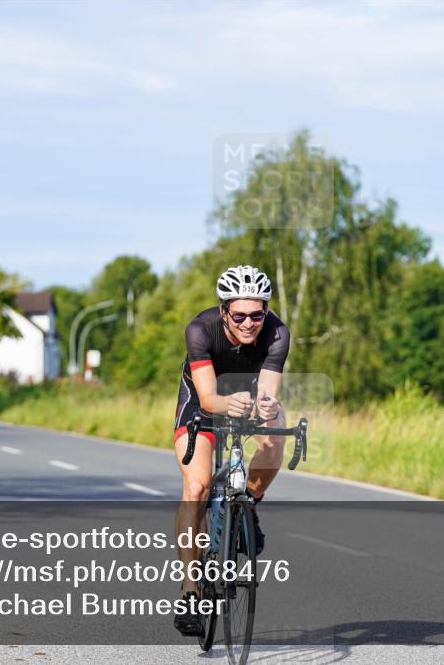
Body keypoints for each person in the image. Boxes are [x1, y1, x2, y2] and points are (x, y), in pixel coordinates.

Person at [172, 265, 289, 636]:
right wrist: (229, 403)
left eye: (257, 314)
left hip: (248, 396)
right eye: (239, 315)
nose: (249, 323)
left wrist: (267, 405)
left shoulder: (278, 333)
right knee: (197, 489)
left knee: (275, 435)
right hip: (201, 401)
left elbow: (268, 390)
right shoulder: (200, 330)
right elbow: (207, 398)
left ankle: (249, 503)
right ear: (224, 311)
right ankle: (191, 593)